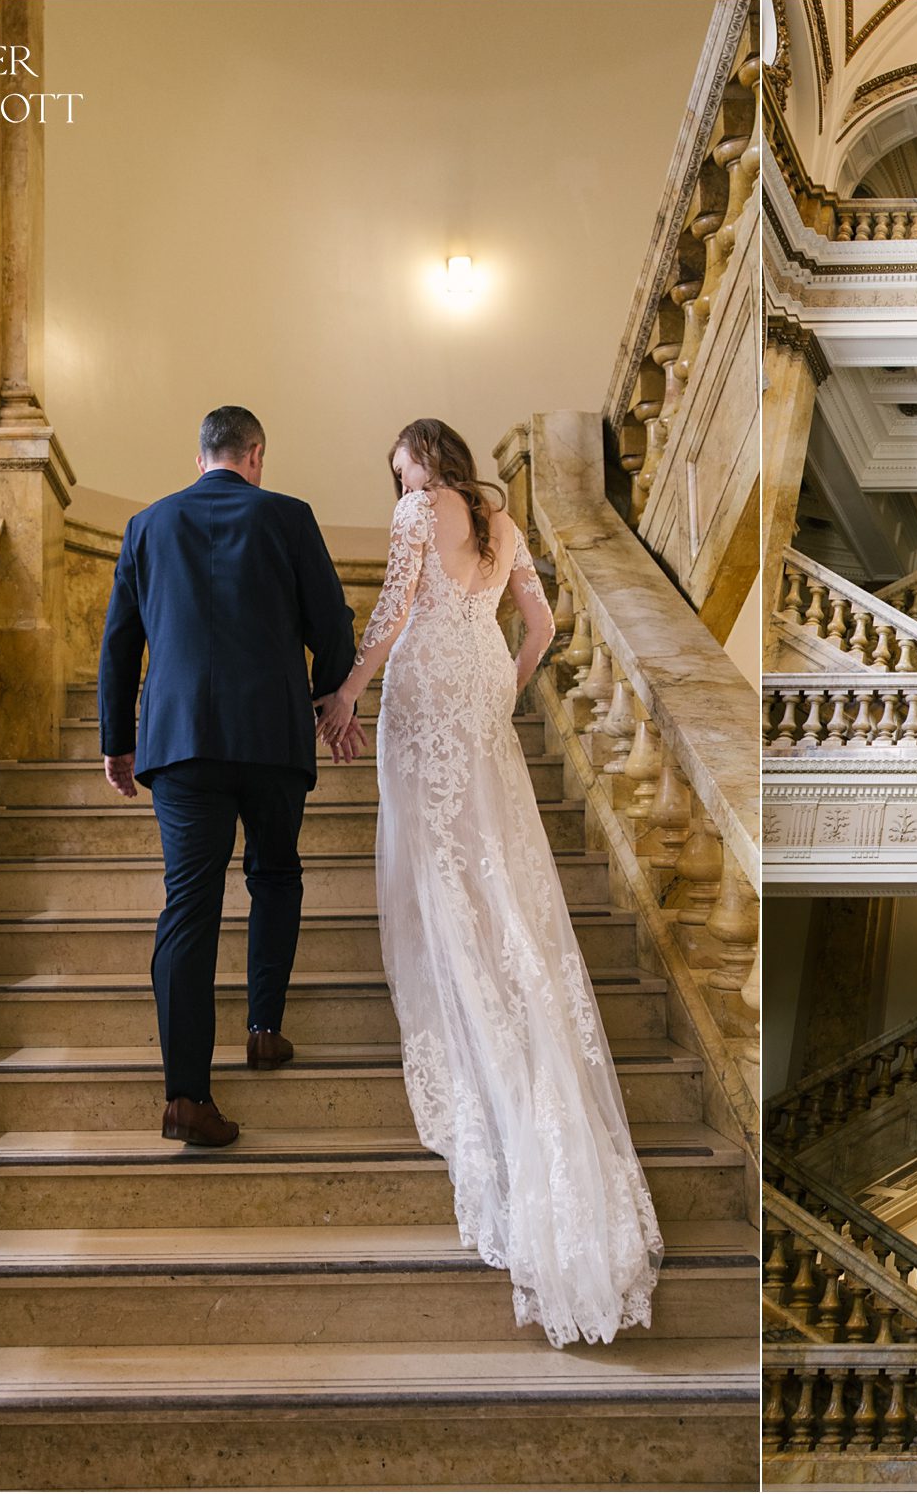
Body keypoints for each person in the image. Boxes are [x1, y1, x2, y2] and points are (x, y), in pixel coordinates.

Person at [316, 418, 662, 1348]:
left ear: (424, 460)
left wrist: (347, 690)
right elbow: (541, 628)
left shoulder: (418, 513)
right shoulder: (503, 523)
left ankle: (465, 998)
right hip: (478, 690)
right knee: (494, 862)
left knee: (436, 861)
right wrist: (504, 688)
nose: (402, 486)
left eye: (402, 469)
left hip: (426, 688)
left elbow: (393, 612)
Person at [98, 406, 364, 1147]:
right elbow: (332, 621)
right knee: (274, 874)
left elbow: (119, 643)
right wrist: (331, 697)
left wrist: (118, 740)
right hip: (273, 737)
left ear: (200, 459)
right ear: (255, 456)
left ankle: (187, 1097)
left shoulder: (147, 525)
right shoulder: (288, 516)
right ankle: (264, 1029)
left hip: (180, 743)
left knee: (189, 906)